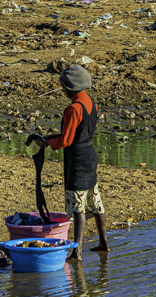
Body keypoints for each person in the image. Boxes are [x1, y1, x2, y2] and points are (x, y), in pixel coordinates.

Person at [35, 65, 109, 263]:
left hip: (77, 160)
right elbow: (77, 134)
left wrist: (47, 143)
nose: (62, 90)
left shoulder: (73, 108)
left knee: (78, 206)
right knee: (95, 201)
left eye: (63, 87)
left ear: (70, 88)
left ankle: (77, 253)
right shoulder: (91, 104)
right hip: (90, 156)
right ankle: (103, 244)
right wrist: (49, 139)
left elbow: (66, 140)